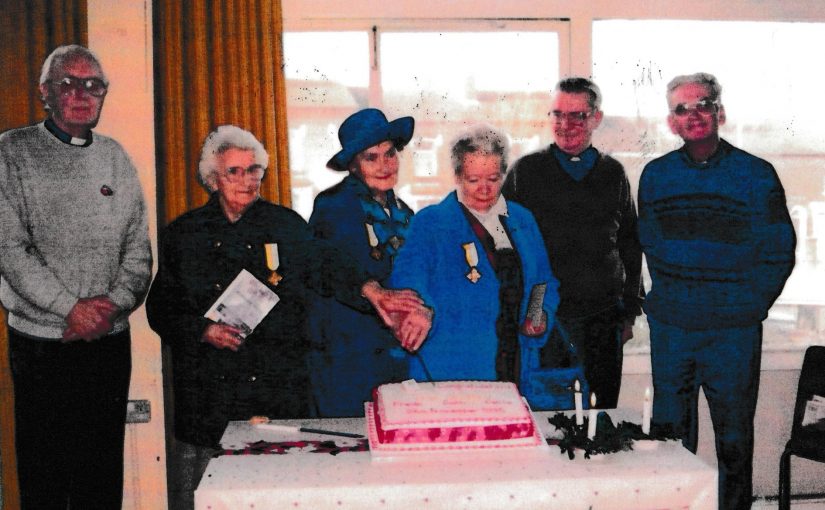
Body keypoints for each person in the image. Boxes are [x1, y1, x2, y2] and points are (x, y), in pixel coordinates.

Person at [145, 125, 423, 510]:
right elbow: (161, 308)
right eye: (235, 172)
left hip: (275, 392)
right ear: (213, 178)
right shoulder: (184, 233)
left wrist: (371, 290)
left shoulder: (284, 224)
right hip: (210, 398)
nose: (247, 180)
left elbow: (326, 266)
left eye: (254, 169)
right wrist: (203, 331)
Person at [0, 45, 152, 509]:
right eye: (69, 83)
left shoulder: (115, 157)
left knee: (100, 477)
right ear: (45, 92)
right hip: (43, 343)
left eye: (94, 85)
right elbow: (9, 249)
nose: (83, 94)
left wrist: (113, 306)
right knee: (45, 479)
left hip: (108, 341)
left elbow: (138, 249)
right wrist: (71, 308)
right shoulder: (11, 152)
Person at [638, 72, 795, 510]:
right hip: (674, 332)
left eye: (703, 104)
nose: (694, 115)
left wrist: (747, 307)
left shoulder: (756, 175)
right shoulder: (656, 175)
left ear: (719, 112)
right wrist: (667, 305)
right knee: (671, 441)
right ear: (672, 122)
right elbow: (649, 242)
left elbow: (780, 252)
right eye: (682, 109)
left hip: (732, 334)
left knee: (734, 442)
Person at [502, 77, 644, 409]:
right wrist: (527, 312)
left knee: (600, 416)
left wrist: (628, 315)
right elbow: (505, 246)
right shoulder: (527, 171)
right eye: (558, 115)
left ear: (595, 118)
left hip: (604, 320)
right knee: (549, 417)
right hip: (546, 319)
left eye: (577, 116)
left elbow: (630, 246)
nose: (566, 125)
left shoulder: (614, 174)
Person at [389, 125, 559, 384]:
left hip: (514, 364)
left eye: (493, 179)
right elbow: (408, 276)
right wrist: (420, 309)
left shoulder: (522, 219)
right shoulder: (432, 222)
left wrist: (537, 316)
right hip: (449, 368)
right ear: (457, 176)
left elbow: (541, 281)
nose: (485, 189)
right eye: (473, 180)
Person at [308, 108, 417, 417]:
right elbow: (323, 263)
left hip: (393, 354)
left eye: (390, 154)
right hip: (348, 356)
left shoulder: (406, 213)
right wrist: (368, 288)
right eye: (371, 157)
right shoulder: (334, 204)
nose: (384, 165)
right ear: (353, 166)